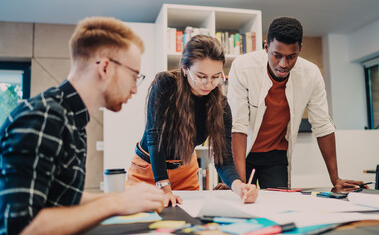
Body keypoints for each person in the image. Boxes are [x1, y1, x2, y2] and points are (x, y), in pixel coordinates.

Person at [0, 17, 165, 235]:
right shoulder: (45, 117)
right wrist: (116, 204)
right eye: (134, 76)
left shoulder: (71, 118)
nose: (135, 89)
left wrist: (124, 199)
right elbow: (20, 228)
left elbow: (62, 196)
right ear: (105, 67)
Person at [227, 17, 365, 189]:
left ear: (300, 49)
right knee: (240, 204)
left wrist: (335, 178)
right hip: (241, 152)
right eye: (277, 55)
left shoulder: (311, 74)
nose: (283, 64)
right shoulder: (243, 67)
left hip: (275, 155)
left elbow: (322, 125)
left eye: (291, 57)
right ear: (266, 47)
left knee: (277, 208)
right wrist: (239, 184)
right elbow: (238, 126)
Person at [126, 35, 258, 206]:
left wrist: (240, 187)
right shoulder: (166, 84)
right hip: (149, 169)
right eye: (201, 76)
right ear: (185, 69)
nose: (208, 84)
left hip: (185, 172)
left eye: (215, 77)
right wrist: (164, 188)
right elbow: (155, 136)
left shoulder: (221, 105)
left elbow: (223, 159)